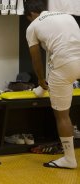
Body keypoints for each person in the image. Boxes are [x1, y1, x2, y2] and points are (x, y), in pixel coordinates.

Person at [24, 0, 80, 169]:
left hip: (64, 67)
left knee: (62, 116)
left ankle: (69, 158)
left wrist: (41, 80)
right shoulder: (68, 16)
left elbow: (36, 58)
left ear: (31, 15)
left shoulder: (32, 26)